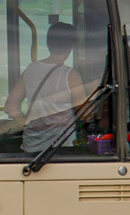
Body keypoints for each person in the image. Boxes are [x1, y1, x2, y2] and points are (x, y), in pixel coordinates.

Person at [6, 22, 88, 152]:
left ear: (48, 43)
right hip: (61, 148)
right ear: (71, 46)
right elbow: (85, 113)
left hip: (31, 147)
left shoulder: (30, 70)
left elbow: (11, 107)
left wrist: (27, 124)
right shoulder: (71, 75)